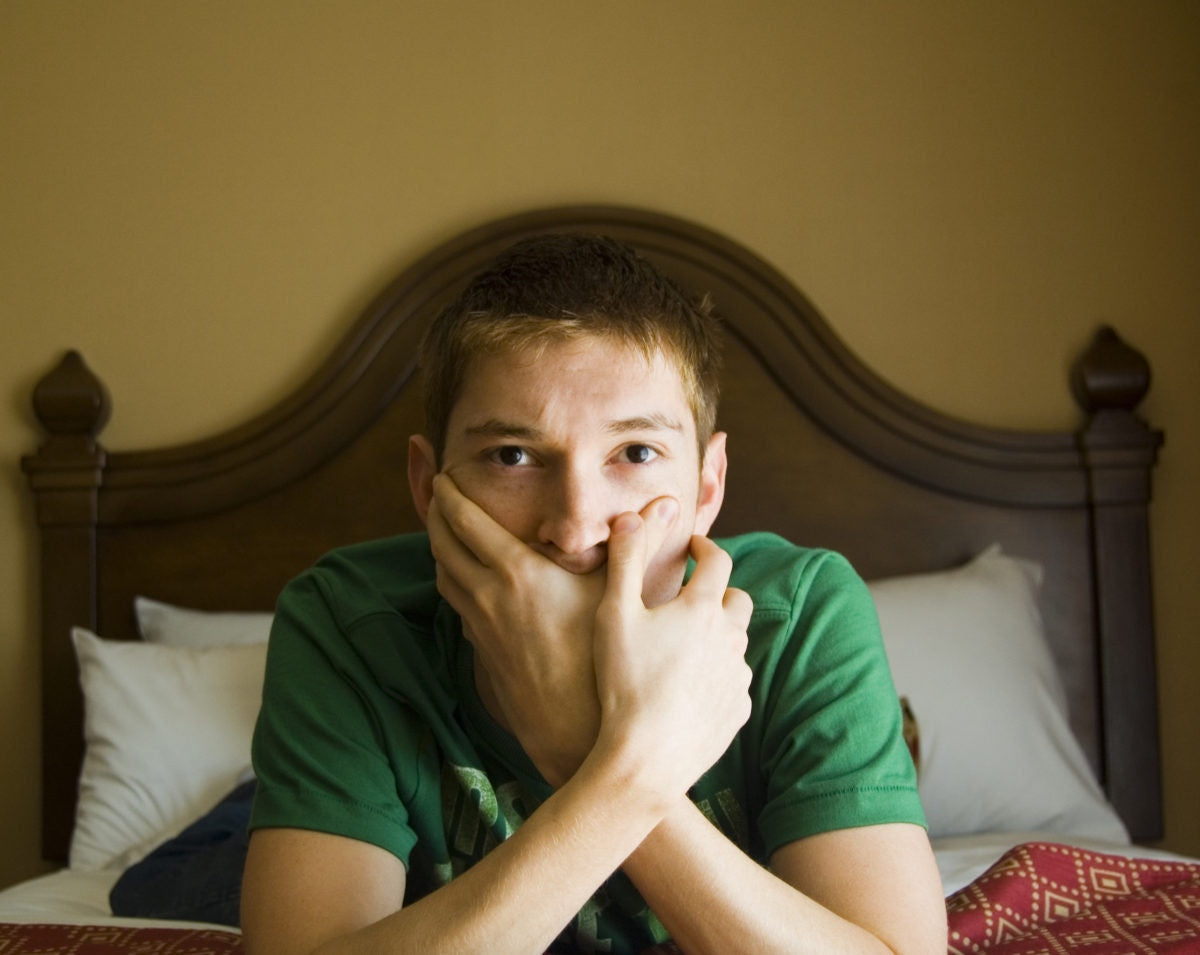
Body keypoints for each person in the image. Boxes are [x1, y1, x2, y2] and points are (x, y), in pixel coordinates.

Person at [240, 234, 947, 954]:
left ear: (707, 486)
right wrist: (620, 774)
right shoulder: (346, 617)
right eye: (512, 456)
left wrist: (580, 746)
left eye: (636, 453)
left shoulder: (802, 614)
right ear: (429, 488)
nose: (575, 528)